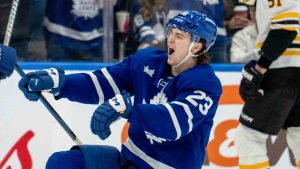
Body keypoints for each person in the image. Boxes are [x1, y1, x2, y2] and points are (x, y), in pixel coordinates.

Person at [18, 10, 222, 169]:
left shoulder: (206, 84)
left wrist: (130, 110)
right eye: (171, 32)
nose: (170, 39)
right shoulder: (147, 61)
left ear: (197, 47)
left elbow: (175, 123)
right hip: (128, 161)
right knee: (64, 163)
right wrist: (60, 84)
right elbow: (100, 83)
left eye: (180, 35)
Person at [234, 0, 300, 168]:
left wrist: (260, 67)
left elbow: (286, 28)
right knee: (298, 134)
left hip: (283, 68)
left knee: (249, 137)